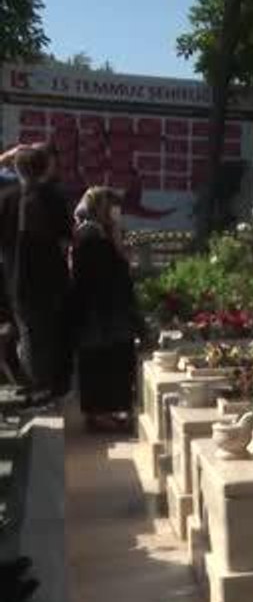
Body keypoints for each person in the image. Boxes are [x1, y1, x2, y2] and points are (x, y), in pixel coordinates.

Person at [0, 144, 73, 403]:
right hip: (50, 277)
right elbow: (66, 239)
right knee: (49, 332)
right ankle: (47, 385)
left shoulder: (6, 198)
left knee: (28, 332)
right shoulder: (52, 197)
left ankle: (36, 384)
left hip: (16, 277)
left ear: (16, 168)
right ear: (45, 168)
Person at [69, 187, 142, 432]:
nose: (115, 213)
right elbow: (109, 271)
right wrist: (122, 255)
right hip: (99, 312)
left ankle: (107, 411)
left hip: (104, 311)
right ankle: (100, 414)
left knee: (111, 360)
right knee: (101, 363)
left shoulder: (98, 232)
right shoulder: (91, 234)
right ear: (100, 207)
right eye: (111, 207)